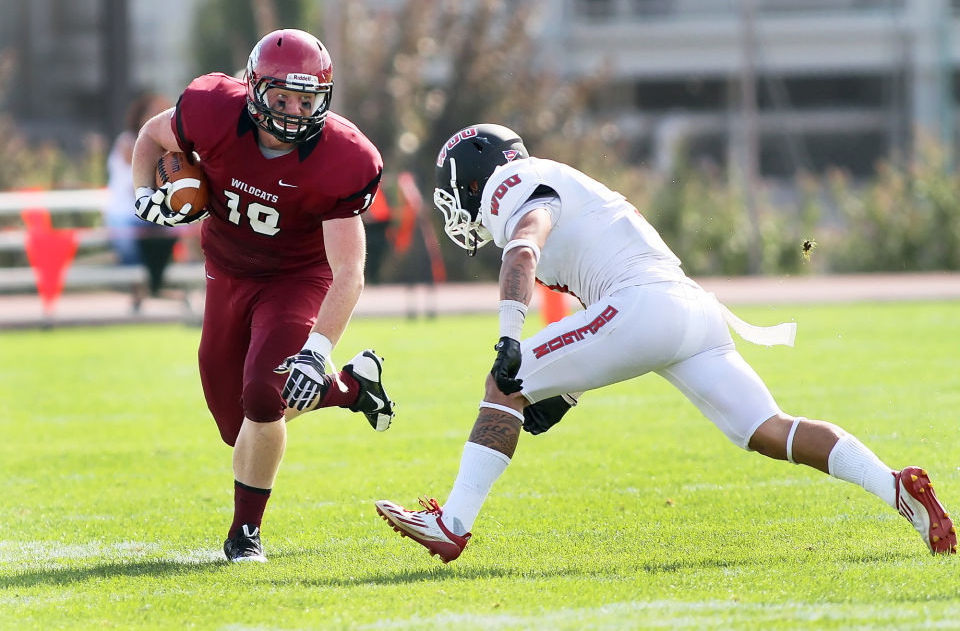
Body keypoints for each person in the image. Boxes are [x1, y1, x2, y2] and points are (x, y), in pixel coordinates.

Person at [374, 123, 956, 562]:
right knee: (767, 428)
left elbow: (526, 246)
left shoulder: (511, 185)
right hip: (692, 310)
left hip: (643, 305)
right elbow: (597, 317)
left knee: (505, 379)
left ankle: (451, 525)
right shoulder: (562, 179)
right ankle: (894, 487)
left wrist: (508, 334)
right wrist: (566, 393)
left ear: (475, 178)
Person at [130, 28, 396, 563]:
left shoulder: (345, 158)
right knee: (235, 426)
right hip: (226, 270)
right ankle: (350, 388)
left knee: (261, 395)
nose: (295, 111)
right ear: (254, 89)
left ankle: (244, 535)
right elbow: (151, 139)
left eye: (307, 99)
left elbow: (350, 269)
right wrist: (143, 198)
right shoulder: (212, 109)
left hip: (297, 279)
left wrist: (318, 347)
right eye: (282, 97)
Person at [104, 92, 179, 311]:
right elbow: (138, 184)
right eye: (154, 111)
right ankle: (140, 289)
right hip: (126, 213)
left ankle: (154, 286)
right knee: (130, 243)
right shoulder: (129, 142)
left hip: (149, 213)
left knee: (174, 231)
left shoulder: (167, 147)